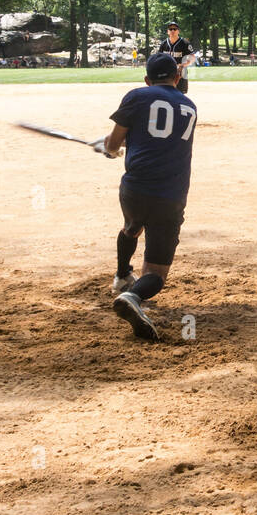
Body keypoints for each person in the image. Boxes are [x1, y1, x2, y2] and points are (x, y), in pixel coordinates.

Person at [95, 52, 198, 342]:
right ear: (177, 79)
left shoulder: (136, 96)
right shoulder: (189, 106)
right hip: (171, 195)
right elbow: (161, 139)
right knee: (155, 272)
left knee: (132, 226)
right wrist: (121, 143)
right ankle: (132, 294)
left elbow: (115, 144)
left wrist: (110, 146)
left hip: (134, 189)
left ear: (146, 79)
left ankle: (121, 276)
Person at [157, 22, 195, 92]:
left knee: (180, 94)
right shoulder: (164, 44)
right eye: (170, 29)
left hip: (181, 73)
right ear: (167, 31)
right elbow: (159, 58)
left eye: (175, 29)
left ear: (178, 31)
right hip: (166, 73)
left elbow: (192, 57)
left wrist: (184, 65)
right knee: (166, 93)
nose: (172, 31)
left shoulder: (184, 43)